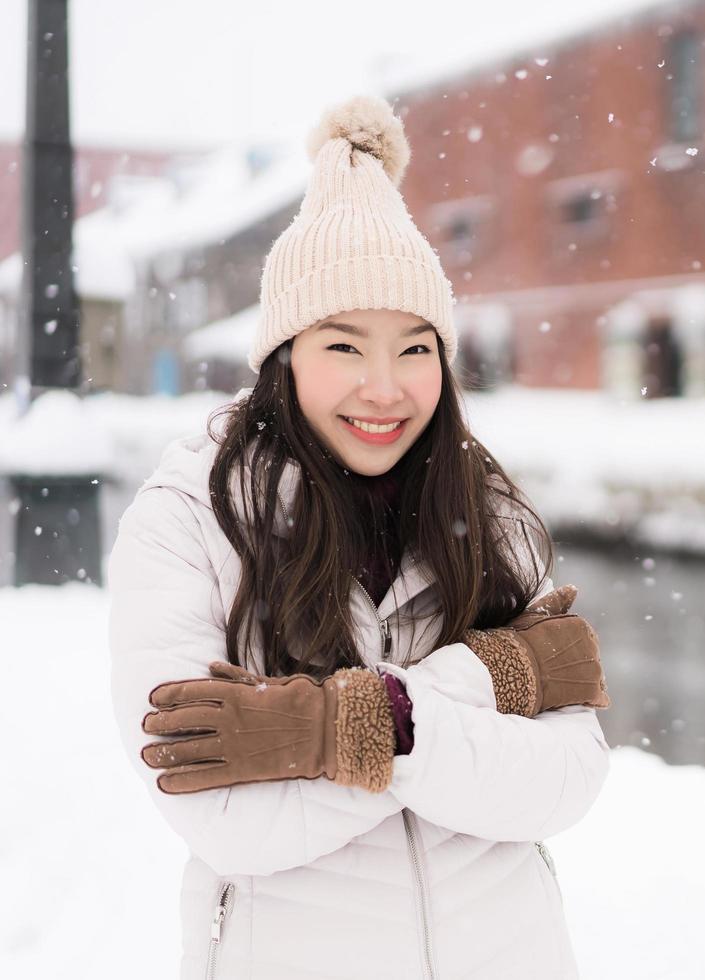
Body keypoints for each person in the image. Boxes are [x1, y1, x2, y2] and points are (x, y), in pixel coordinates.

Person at [108, 94, 611, 980]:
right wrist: (492, 679)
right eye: (344, 346)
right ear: (284, 355)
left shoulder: (484, 508)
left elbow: (564, 782)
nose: (386, 387)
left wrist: (336, 726)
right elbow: (226, 816)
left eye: (416, 349)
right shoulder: (188, 518)